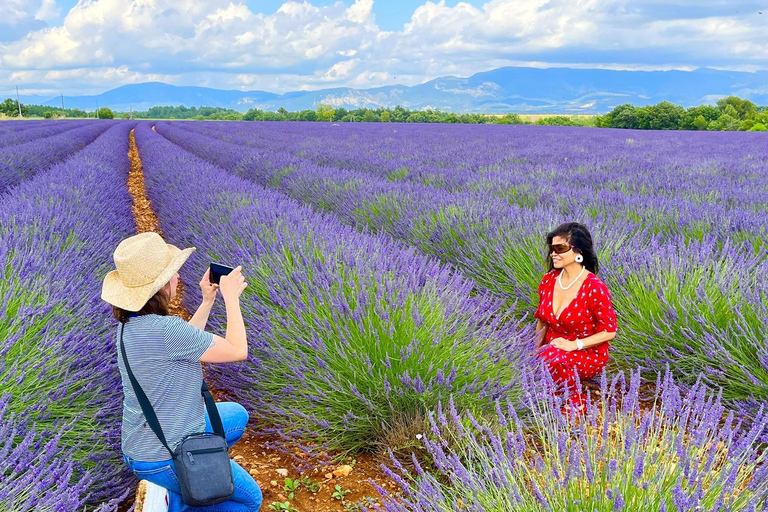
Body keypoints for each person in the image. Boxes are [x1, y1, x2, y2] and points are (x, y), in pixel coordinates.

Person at [101, 232, 262, 512]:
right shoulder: (166, 330)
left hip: (141, 441)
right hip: (162, 455)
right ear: (161, 287)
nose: (178, 278)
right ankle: (182, 500)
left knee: (236, 416)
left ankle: (179, 490)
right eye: (173, 274)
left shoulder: (131, 325)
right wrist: (232, 298)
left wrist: (208, 301)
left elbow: (188, 342)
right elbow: (237, 350)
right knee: (250, 500)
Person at [533, 222, 618, 413]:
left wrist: (574, 345)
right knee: (534, 360)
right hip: (551, 349)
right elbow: (542, 320)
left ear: (577, 251)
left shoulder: (594, 287)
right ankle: (545, 400)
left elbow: (609, 331)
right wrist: (533, 351)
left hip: (586, 352)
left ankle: (574, 402)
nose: (554, 253)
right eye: (552, 248)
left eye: (560, 248)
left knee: (552, 358)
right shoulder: (548, 280)